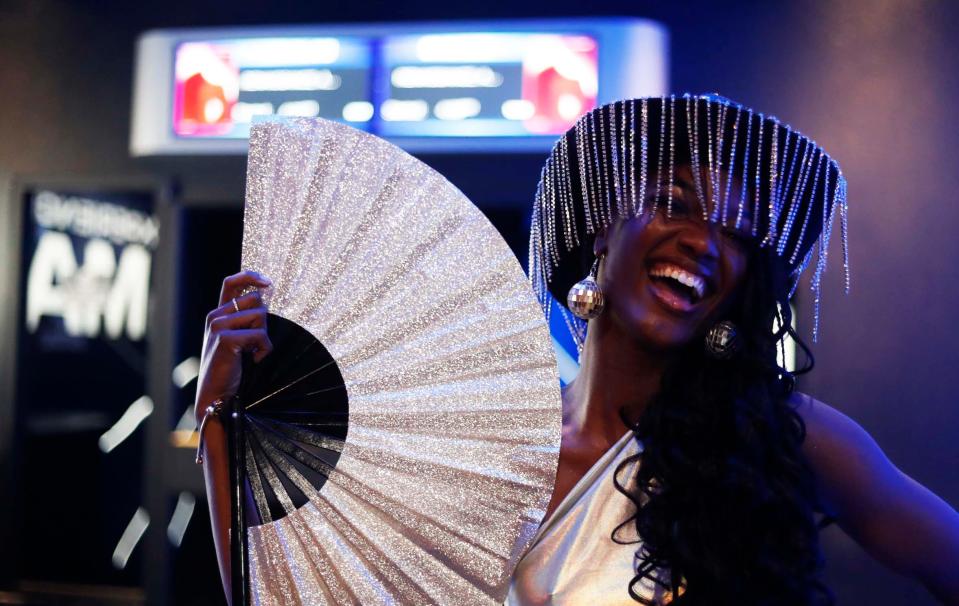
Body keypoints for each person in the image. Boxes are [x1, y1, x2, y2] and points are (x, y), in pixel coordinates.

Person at [195, 95, 959, 605]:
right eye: (672, 203)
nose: (702, 240)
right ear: (604, 230)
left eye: (735, 230)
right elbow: (287, 594)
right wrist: (218, 421)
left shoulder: (783, 441)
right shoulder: (477, 450)